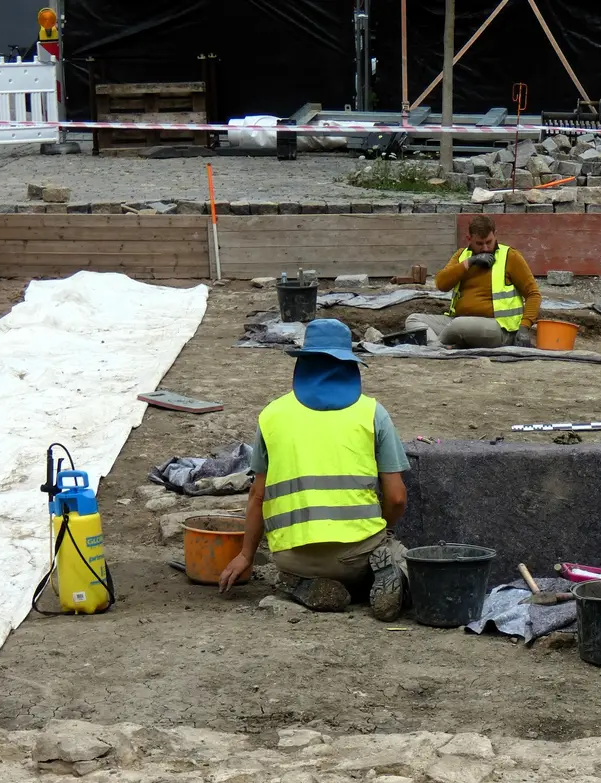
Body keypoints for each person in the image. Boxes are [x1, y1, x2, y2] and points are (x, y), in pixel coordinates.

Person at [218, 318, 411, 620]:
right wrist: (379, 532)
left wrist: (245, 555)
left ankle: (300, 584)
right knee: (398, 555)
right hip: (357, 556)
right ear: (351, 364)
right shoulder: (373, 413)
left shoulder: (272, 415)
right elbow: (397, 498)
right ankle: (386, 572)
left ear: (302, 363)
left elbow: (257, 496)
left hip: (292, 558)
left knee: (294, 571)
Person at [407, 215, 542, 349]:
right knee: (414, 320)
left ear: (495, 235)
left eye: (489, 242)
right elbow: (442, 284)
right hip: (458, 323)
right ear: (469, 239)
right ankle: (438, 347)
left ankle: (437, 346)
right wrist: (469, 263)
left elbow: (533, 294)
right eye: (479, 244)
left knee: (459, 325)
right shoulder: (462, 256)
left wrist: (524, 327)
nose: (485, 248)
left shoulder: (510, 257)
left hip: (499, 328)